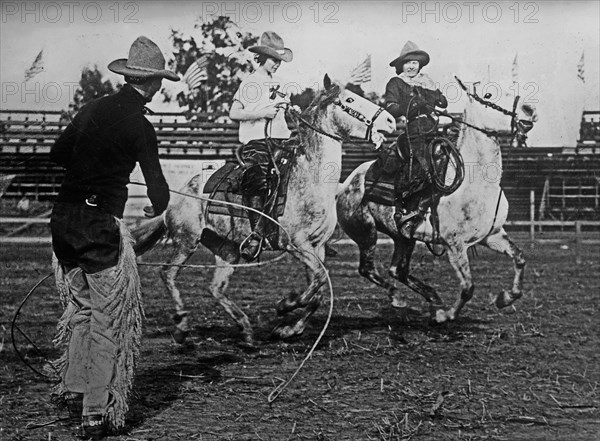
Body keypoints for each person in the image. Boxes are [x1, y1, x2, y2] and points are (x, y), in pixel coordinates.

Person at [49, 36, 178, 439]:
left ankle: (72, 388)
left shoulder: (91, 109)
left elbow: (57, 153)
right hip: (99, 228)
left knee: (82, 310)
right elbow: (158, 190)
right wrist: (157, 210)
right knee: (108, 318)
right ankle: (94, 413)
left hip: (63, 223)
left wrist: (91, 163)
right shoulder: (140, 126)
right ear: (154, 83)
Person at [229, 31, 293, 261]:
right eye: (273, 59)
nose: (277, 64)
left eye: (279, 60)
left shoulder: (283, 84)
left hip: (281, 140)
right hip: (256, 142)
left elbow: (285, 116)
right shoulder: (250, 82)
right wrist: (261, 113)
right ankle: (256, 234)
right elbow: (233, 113)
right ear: (261, 57)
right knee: (257, 178)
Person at [383, 40, 448, 239]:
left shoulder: (426, 81)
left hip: (433, 128)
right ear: (401, 65)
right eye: (407, 62)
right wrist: (412, 103)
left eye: (415, 62)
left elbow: (443, 103)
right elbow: (391, 108)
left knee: (449, 157)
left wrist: (437, 95)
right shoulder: (396, 83)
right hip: (414, 130)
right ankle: (409, 210)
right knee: (424, 167)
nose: (412, 66)